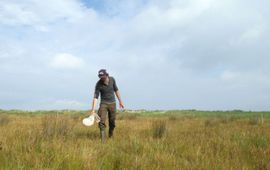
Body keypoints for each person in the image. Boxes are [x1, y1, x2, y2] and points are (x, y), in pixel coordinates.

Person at [90, 69, 124, 142]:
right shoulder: (98, 84)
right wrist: (93, 110)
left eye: (103, 77)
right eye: (100, 77)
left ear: (107, 75)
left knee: (112, 122)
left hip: (112, 103)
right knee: (100, 121)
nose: (101, 78)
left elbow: (116, 90)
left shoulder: (112, 80)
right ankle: (103, 140)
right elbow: (95, 97)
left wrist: (120, 101)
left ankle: (110, 135)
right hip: (103, 104)